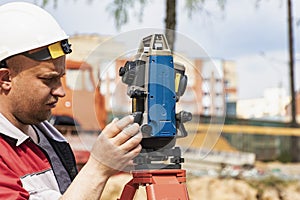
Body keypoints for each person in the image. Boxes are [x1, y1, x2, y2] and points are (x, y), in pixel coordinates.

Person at [0, 2, 142, 199]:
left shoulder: (47, 136)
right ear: (5, 79)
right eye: (48, 79)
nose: (61, 91)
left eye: (61, 77)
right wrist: (98, 168)